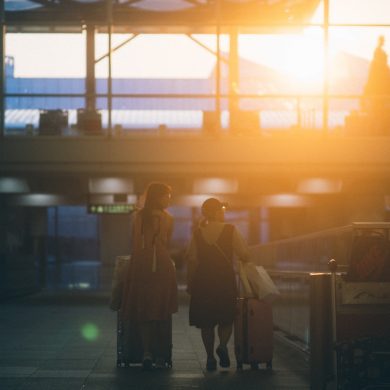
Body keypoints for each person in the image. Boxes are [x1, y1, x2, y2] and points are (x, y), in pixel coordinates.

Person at [186, 197, 250, 371]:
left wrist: (190, 282)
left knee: (206, 322)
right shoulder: (230, 230)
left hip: (203, 280)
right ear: (216, 212)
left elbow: (192, 260)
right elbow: (244, 253)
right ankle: (222, 345)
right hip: (224, 279)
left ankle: (209, 358)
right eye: (221, 210)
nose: (224, 213)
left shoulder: (198, 233)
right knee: (226, 317)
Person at [120, 182, 178, 370]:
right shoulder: (168, 218)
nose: (169, 199)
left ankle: (145, 351)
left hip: (141, 264)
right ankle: (160, 352)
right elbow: (166, 243)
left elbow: (135, 242)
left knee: (144, 308)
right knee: (160, 309)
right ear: (157, 197)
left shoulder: (138, 217)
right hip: (162, 264)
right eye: (166, 195)